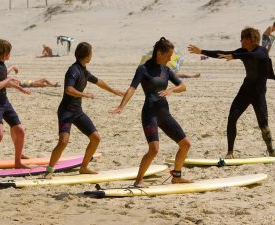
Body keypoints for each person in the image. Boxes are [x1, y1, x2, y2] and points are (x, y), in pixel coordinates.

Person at [110, 37, 192, 188]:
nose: (170, 59)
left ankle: (177, 176)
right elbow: (132, 88)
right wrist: (121, 106)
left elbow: (183, 86)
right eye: (168, 56)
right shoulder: (143, 69)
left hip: (164, 113)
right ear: (159, 53)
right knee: (154, 149)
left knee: (185, 144)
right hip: (150, 113)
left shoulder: (166, 70)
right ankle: (138, 180)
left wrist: (171, 89)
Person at [188, 27, 275, 159]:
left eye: (243, 38)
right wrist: (201, 51)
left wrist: (235, 56)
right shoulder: (242, 51)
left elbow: (256, 56)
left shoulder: (261, 51)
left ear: (251, 39)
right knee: (232, 118)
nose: (240, 41)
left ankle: (271, 150)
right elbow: (222, 53)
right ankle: (230, 152)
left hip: (259, 94)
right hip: (245, 91)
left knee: (264, 126)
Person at [44, 42, 124, 179]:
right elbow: (68, 89)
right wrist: (84, 95)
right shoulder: (73, 70)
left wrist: (113, 91)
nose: (92, 55)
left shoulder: (84, 71)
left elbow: (99, 82)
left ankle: (84, 167)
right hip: (66, 112)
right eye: (91, 53)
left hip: (77, 112)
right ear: (87, 55)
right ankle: (49, 170)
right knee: (63, 141)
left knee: (95, 138)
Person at [0, 39, 31, 172]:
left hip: (5, 103)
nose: (10, 54)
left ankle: (18, 162)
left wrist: (20, 88)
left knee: (20, 130)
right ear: (5, 53)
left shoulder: (2, 65)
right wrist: (9, 79)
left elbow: (5, 82)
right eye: (9, 52)